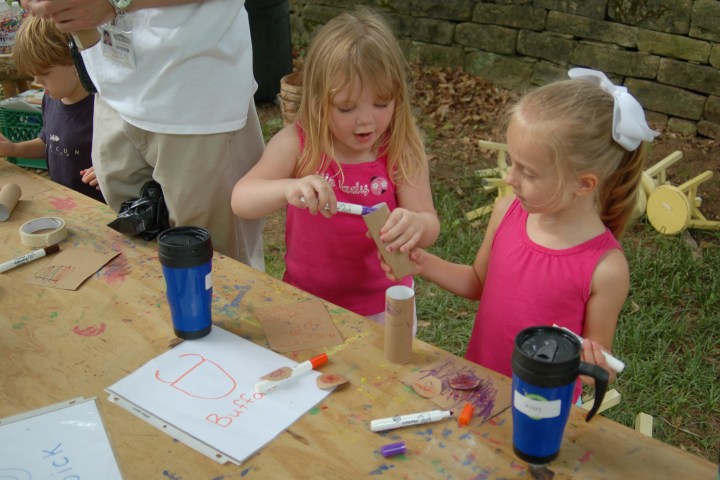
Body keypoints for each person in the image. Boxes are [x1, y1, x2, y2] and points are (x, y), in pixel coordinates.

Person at [383, 68, 658, 400]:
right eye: (512, 163)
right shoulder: (506, 212)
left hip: (541, 407)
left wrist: (593, 362)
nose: (510, 178)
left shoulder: (606, 268)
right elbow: (477, 282)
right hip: (479, 384)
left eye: (527, 172)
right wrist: (422, 264)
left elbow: (599, 369)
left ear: (583, 184)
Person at [21, 0, 265, 268]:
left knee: (215, 264)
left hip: (191, 94)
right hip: (111, 83)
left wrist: (115, 2)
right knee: (138, 250)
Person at [231, 9, 440, 322]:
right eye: (346, 107)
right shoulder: (298, 144)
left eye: (382, 103)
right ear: (318, 101)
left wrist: (416, 225)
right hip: (306, 302)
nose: (366, 119)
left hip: (384, 307)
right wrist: (288, 187)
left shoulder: (400, 149)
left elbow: (429, 223)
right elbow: (241, 199)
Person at [0, 15, 103, 203]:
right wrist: (13, 148)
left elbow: (135, 156)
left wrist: (112, 170)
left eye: (44, 74)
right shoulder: (51, 99)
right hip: (64, 203)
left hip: (100, 211)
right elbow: (50, 143)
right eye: (33, 75)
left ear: (77, 59)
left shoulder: (104, 107)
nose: (36, 82)